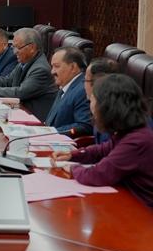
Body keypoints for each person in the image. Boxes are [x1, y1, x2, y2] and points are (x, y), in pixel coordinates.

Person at [52, 74, 153, 207]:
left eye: (93, 100)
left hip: (143, 211)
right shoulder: (129, 131)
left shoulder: (137, 141)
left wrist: (72, 168)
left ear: (107, 107)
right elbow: (103, 149)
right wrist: (73, 155)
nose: (91, 106)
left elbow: (98, 174)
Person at [0, 28, 57, 121]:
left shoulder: (40, 69)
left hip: (35, 118)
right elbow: (7, 80)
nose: (14, 52)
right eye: (13, 47)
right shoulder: (24, 61)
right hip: (21, 111)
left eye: (18, 47)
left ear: (32, 48)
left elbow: (19, 92)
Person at [44, 47, 92, 136]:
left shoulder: (83, 90)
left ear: (73, 67)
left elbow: (84, 126)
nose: (52, 71)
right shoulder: (66, 84)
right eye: (52, 66)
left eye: (57, 66)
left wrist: (52, 132)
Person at [83, 58, 120, 144]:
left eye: (85, 80)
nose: (83, 85)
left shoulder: (111, 114)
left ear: (97, 83)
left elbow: (108, 147)